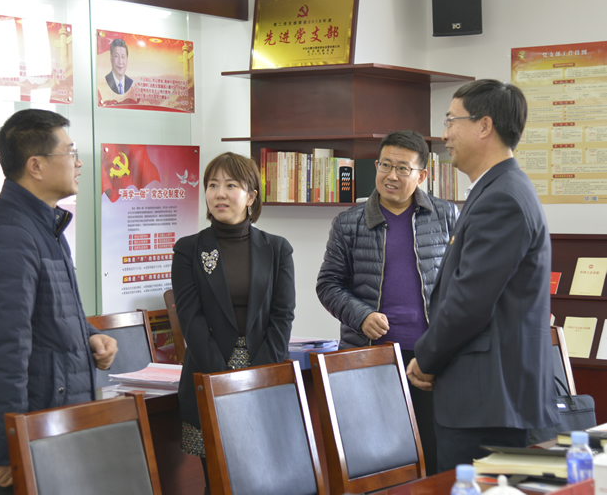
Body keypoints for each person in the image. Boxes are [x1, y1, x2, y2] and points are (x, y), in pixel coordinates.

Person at [407, 79, 560, 472]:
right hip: (491, 398)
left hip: (488, 403)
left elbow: (469, 302)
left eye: (450, 121)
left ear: (484, 125)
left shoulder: (501, 198)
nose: (444, 135)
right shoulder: (496, 189)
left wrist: (426, 357)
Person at [0, 109, 118, 494]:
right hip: (30, 431)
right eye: (70, 151)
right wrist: (2, 446)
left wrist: (89, 335)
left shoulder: (43, 224)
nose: (79, 162)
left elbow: (44, 312)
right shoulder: (7, 233)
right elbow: (3, 346)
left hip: (53, 423)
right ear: (36, 165)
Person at [316, 129, 458, 474]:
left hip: (431, 359)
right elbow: (328, 285)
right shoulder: (349, 223)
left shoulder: (446, 215)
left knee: (435, 459)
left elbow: (463, 283)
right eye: (385, 165)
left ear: (421, 175)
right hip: (369, 357)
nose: (391, 175)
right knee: (375, 465)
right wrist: (361, 315)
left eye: (403, 168)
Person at [171, 152, 295, 494]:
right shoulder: (188, 250)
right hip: (208, 371)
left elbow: (282, 316)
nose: (219, 194)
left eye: (230, 185)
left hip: (264, 372)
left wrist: (257, 376)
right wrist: (223, 381)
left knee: (264, 479)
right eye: (212, 185)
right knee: (219, 482)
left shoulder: (277, 249)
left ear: (251, 196)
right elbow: (191, 319)